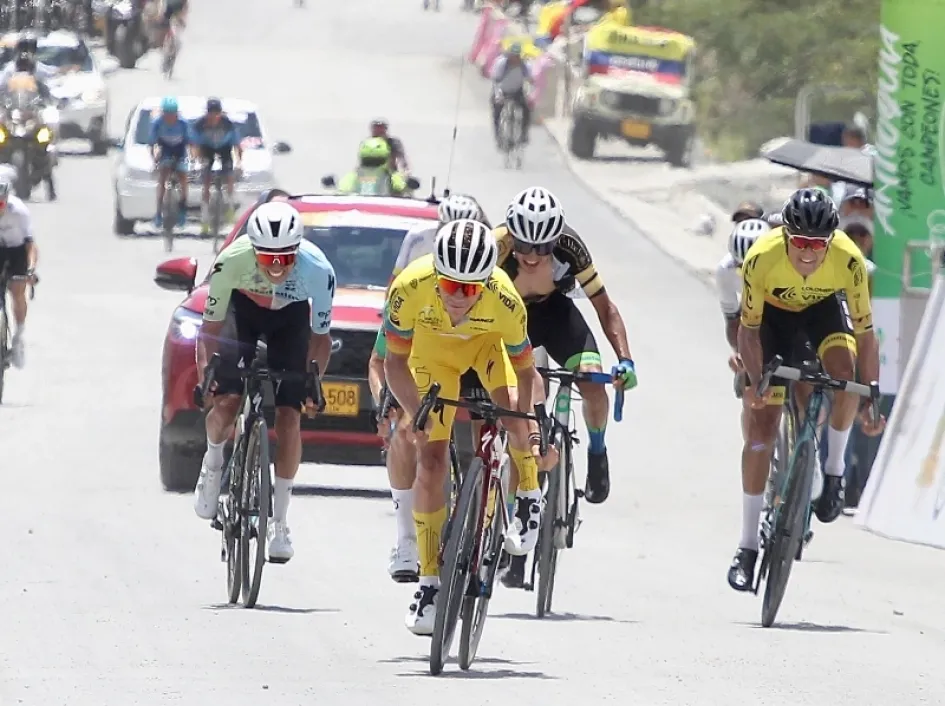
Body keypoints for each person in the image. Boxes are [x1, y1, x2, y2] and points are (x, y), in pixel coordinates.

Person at [383, 219, 546, 635]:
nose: (458, 297)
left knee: (511, 410)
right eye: (450, 285)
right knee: (432, 463)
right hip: (433, 360)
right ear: (435, 274)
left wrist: (525, 434)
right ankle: (429, 584)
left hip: (487, 351)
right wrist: (415, 412)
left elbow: (527, 375)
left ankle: (528, 495)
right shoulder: (409, 286)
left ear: (485, 284)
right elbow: (394, 363)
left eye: (470, 289)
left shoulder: (506, 301)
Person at [727, 188, 886, 592]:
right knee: (761, 432)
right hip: (772, 323)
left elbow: (867, 336)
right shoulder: (761, 256)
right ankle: (746, 547)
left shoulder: (848, 259)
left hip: (821, 314)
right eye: (800, 242)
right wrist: (758, 379)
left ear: (830, 240)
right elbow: (747, 330)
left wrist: (871, 394)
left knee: (844, 372)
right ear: (786, 237)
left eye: (818, 244)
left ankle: (833, 473)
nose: (809, 252)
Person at [494, 187, 637, 588]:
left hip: (556, 315)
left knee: (593, 382)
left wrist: (623, 358)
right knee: (529, 403)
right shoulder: (496, 247)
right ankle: (515, 532)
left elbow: (605, 307)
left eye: (541, 246)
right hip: (510, 320)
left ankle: (596, 449)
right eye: (523, 245)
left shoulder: (572, 247)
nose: (532, 255)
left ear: (556, 239)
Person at [194, 201, 336, 562]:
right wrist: (206, 377)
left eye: (285, 259)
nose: (276, 266)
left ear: (298, 251)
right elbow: (209, 332)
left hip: (290, 321)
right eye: (268, 258)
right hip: (243, 312)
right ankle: (212, 465)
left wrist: (312, 382)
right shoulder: (231, 260)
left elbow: (320, 339)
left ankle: (281, 522)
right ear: (253, 250)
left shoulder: (319, 270)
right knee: (225, 403)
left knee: (290, 416)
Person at [369, 193, 490, 583]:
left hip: (476, 351)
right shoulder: (416, 265)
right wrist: (388, 399)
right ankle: (406, 539)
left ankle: (491, 526)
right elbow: (384, 356)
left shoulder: (489, 260)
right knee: (407, 430)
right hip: (424, 351)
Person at [190, 97, 242, 234]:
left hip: (224, 149)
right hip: (207, 149)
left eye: (216, 113)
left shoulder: (228, 124)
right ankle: (205, 219)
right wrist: (196, 160)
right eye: (210, 113)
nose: (213, 116)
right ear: (207, 113)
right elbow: (194, 146)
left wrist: (239, 162)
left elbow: (237, 146)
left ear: (220, 113)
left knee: (229, 175)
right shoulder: (199, 125)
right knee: (206, 182)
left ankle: (230, 206)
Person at [0, 177, 37, 369]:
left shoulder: (20, 211)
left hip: (17, 250)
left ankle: (19, 335)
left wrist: (30, 270)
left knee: (17, 290)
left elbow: (31, 246)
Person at [148, 96, 191, 229]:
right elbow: (152, 144)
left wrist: (193, 156)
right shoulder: (157, 123)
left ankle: (182, 210)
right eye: (167, 114)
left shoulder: (183, 123)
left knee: (183, 177)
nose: (170, 118)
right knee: (162, 178)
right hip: (165, 149)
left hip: (179, 150)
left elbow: (190, 142)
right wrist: (154, 158)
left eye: (172, 115)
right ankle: (158, 212)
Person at [490, 43, 531, 146]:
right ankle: (498, 134)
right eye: (513, 56)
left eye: (517, 56)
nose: (515, 59)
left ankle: (523, 134)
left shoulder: (523, 65)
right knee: (497, 111)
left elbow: (530, 79)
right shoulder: (501, 64)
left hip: (517, 90)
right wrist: (498, 96)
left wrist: (530, 94)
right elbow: (496, 81)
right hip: (502, 90)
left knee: (526, 109)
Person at [338, 138, 409, 196]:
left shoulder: (352, 175)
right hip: (381, 209)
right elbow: (401, 186)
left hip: (360, 208)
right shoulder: (393, 176)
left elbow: (342, 190)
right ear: (386, 158)